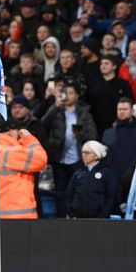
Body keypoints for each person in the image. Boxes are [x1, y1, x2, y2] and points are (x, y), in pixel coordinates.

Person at [42, 81, 98, 217]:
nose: (67, 96)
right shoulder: (57, 110)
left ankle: (74, 217)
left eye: (71, 93)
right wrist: (54, 106)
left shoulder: (84, 113)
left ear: (77, 96)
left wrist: (80, 134)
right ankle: (61, 218)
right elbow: (43, 123)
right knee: (60, 191)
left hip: (78, 159)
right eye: (65, 93)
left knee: (77, 191)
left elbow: (93, 135)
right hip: (59, 158)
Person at [0, 127, 48, 219]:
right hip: (19, 216)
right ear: (11, 132)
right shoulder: (10, 153)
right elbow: (41, 159)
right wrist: (29, 138)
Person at [102, 98, 136, 182]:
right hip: (114, 179)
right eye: (119, 109)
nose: (122, 112)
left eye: (125, 109)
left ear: (132, 111)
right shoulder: (108, 133)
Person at [66, 140, 115, 218]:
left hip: (99, 220)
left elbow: (111, 196)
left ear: (96, 155)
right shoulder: (78, 173)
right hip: (78, 219)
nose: (84, 155)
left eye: (87, 153)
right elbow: (69, 195)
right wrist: (71, 213)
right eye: (83, 152)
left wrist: (103, 215)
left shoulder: (106, 173)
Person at [85, 54, 133, 135]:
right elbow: (87, 103)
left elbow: (128, 103)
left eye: (106, 63)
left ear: (114, 66)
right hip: (95, 125)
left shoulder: (123, 84)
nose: (103, 66)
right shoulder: (92, 83)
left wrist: (119, 121)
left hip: (117, 125)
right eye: (101, 63)